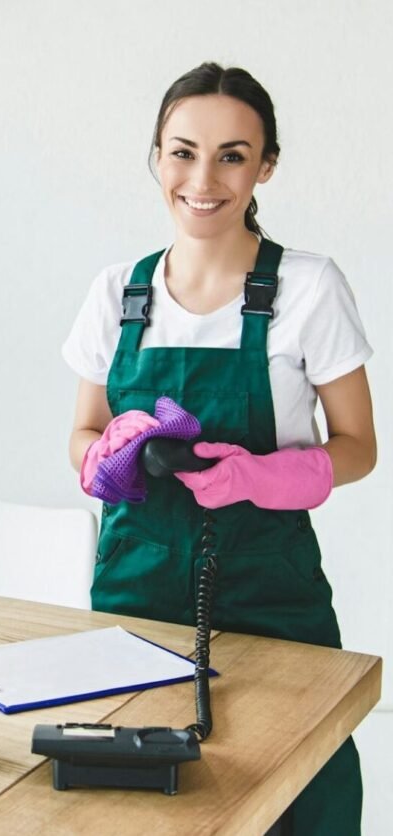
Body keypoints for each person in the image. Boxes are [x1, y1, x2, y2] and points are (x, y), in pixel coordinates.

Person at [62, 62, 376, 835]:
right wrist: (106, 456)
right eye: (182, 151)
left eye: (233, 155)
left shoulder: (307, 288)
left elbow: (360, 446)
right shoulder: (117, 292)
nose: (203, 178)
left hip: (273, 589)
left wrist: (269, 475)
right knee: (137, 797)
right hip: (137, 587)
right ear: (156, 158)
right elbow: (81, 432)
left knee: (298, 785)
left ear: (266, 166)